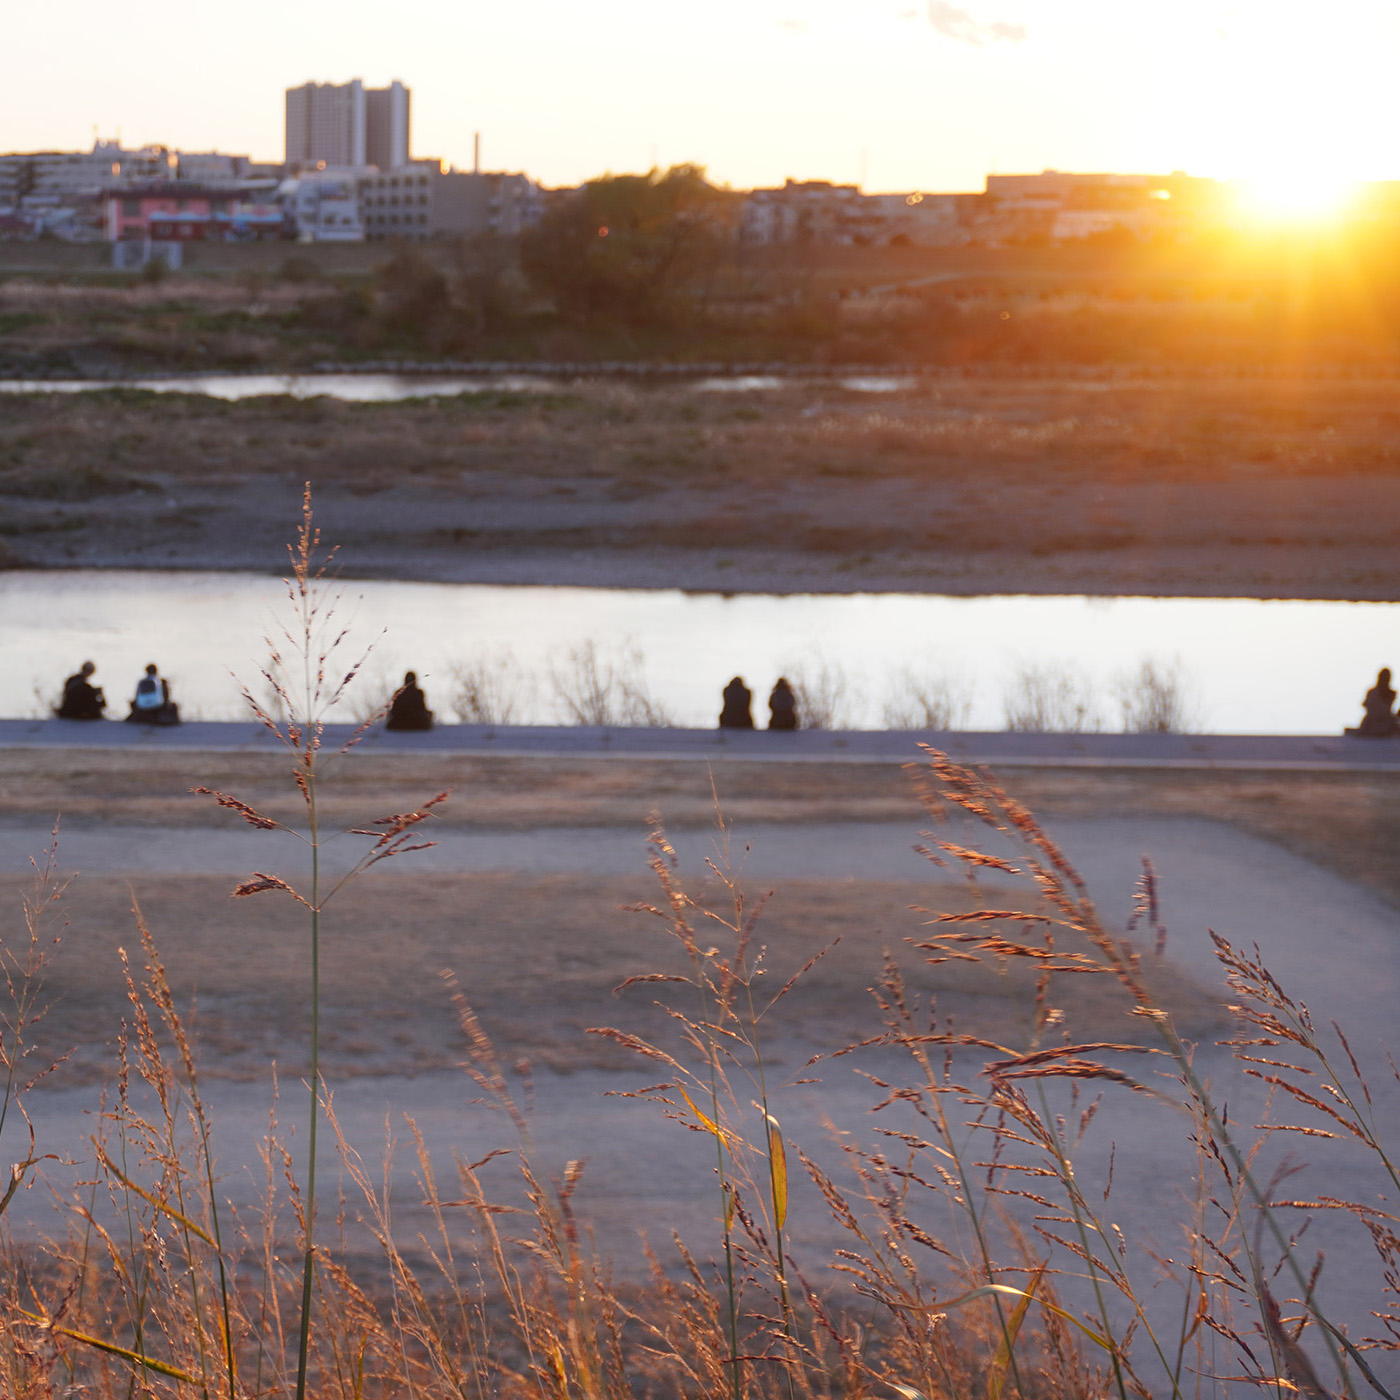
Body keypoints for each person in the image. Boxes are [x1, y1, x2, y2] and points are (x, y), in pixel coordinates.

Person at [1346, 667, 1399, 738]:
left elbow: (1365, 704)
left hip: (1382, 722)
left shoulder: (1390, 693)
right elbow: (1366, 705)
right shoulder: (1376, 692)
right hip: (1374, 722)